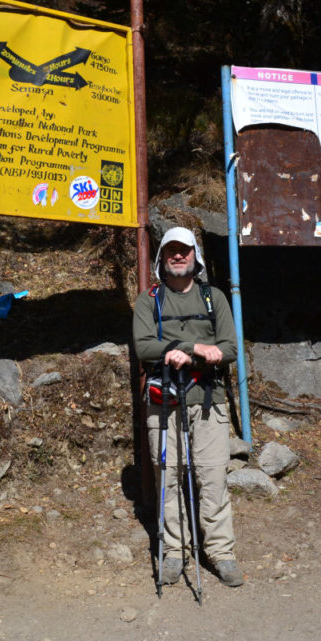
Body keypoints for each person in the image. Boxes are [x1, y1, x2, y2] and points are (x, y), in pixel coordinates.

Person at [132, 226, 244, 587]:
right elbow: (144, 347)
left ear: (195, 257)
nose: (178, 256)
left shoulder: (215, 299)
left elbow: (229, 348)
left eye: (185, 250)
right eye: (171, 251)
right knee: (169, 478)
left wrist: (190, 352)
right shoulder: (149, 300)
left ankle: (221, 553)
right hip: (164, 403)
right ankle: (174, 551)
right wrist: (192, 347)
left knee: (212, 478)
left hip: (208, 402)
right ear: (162, 258)